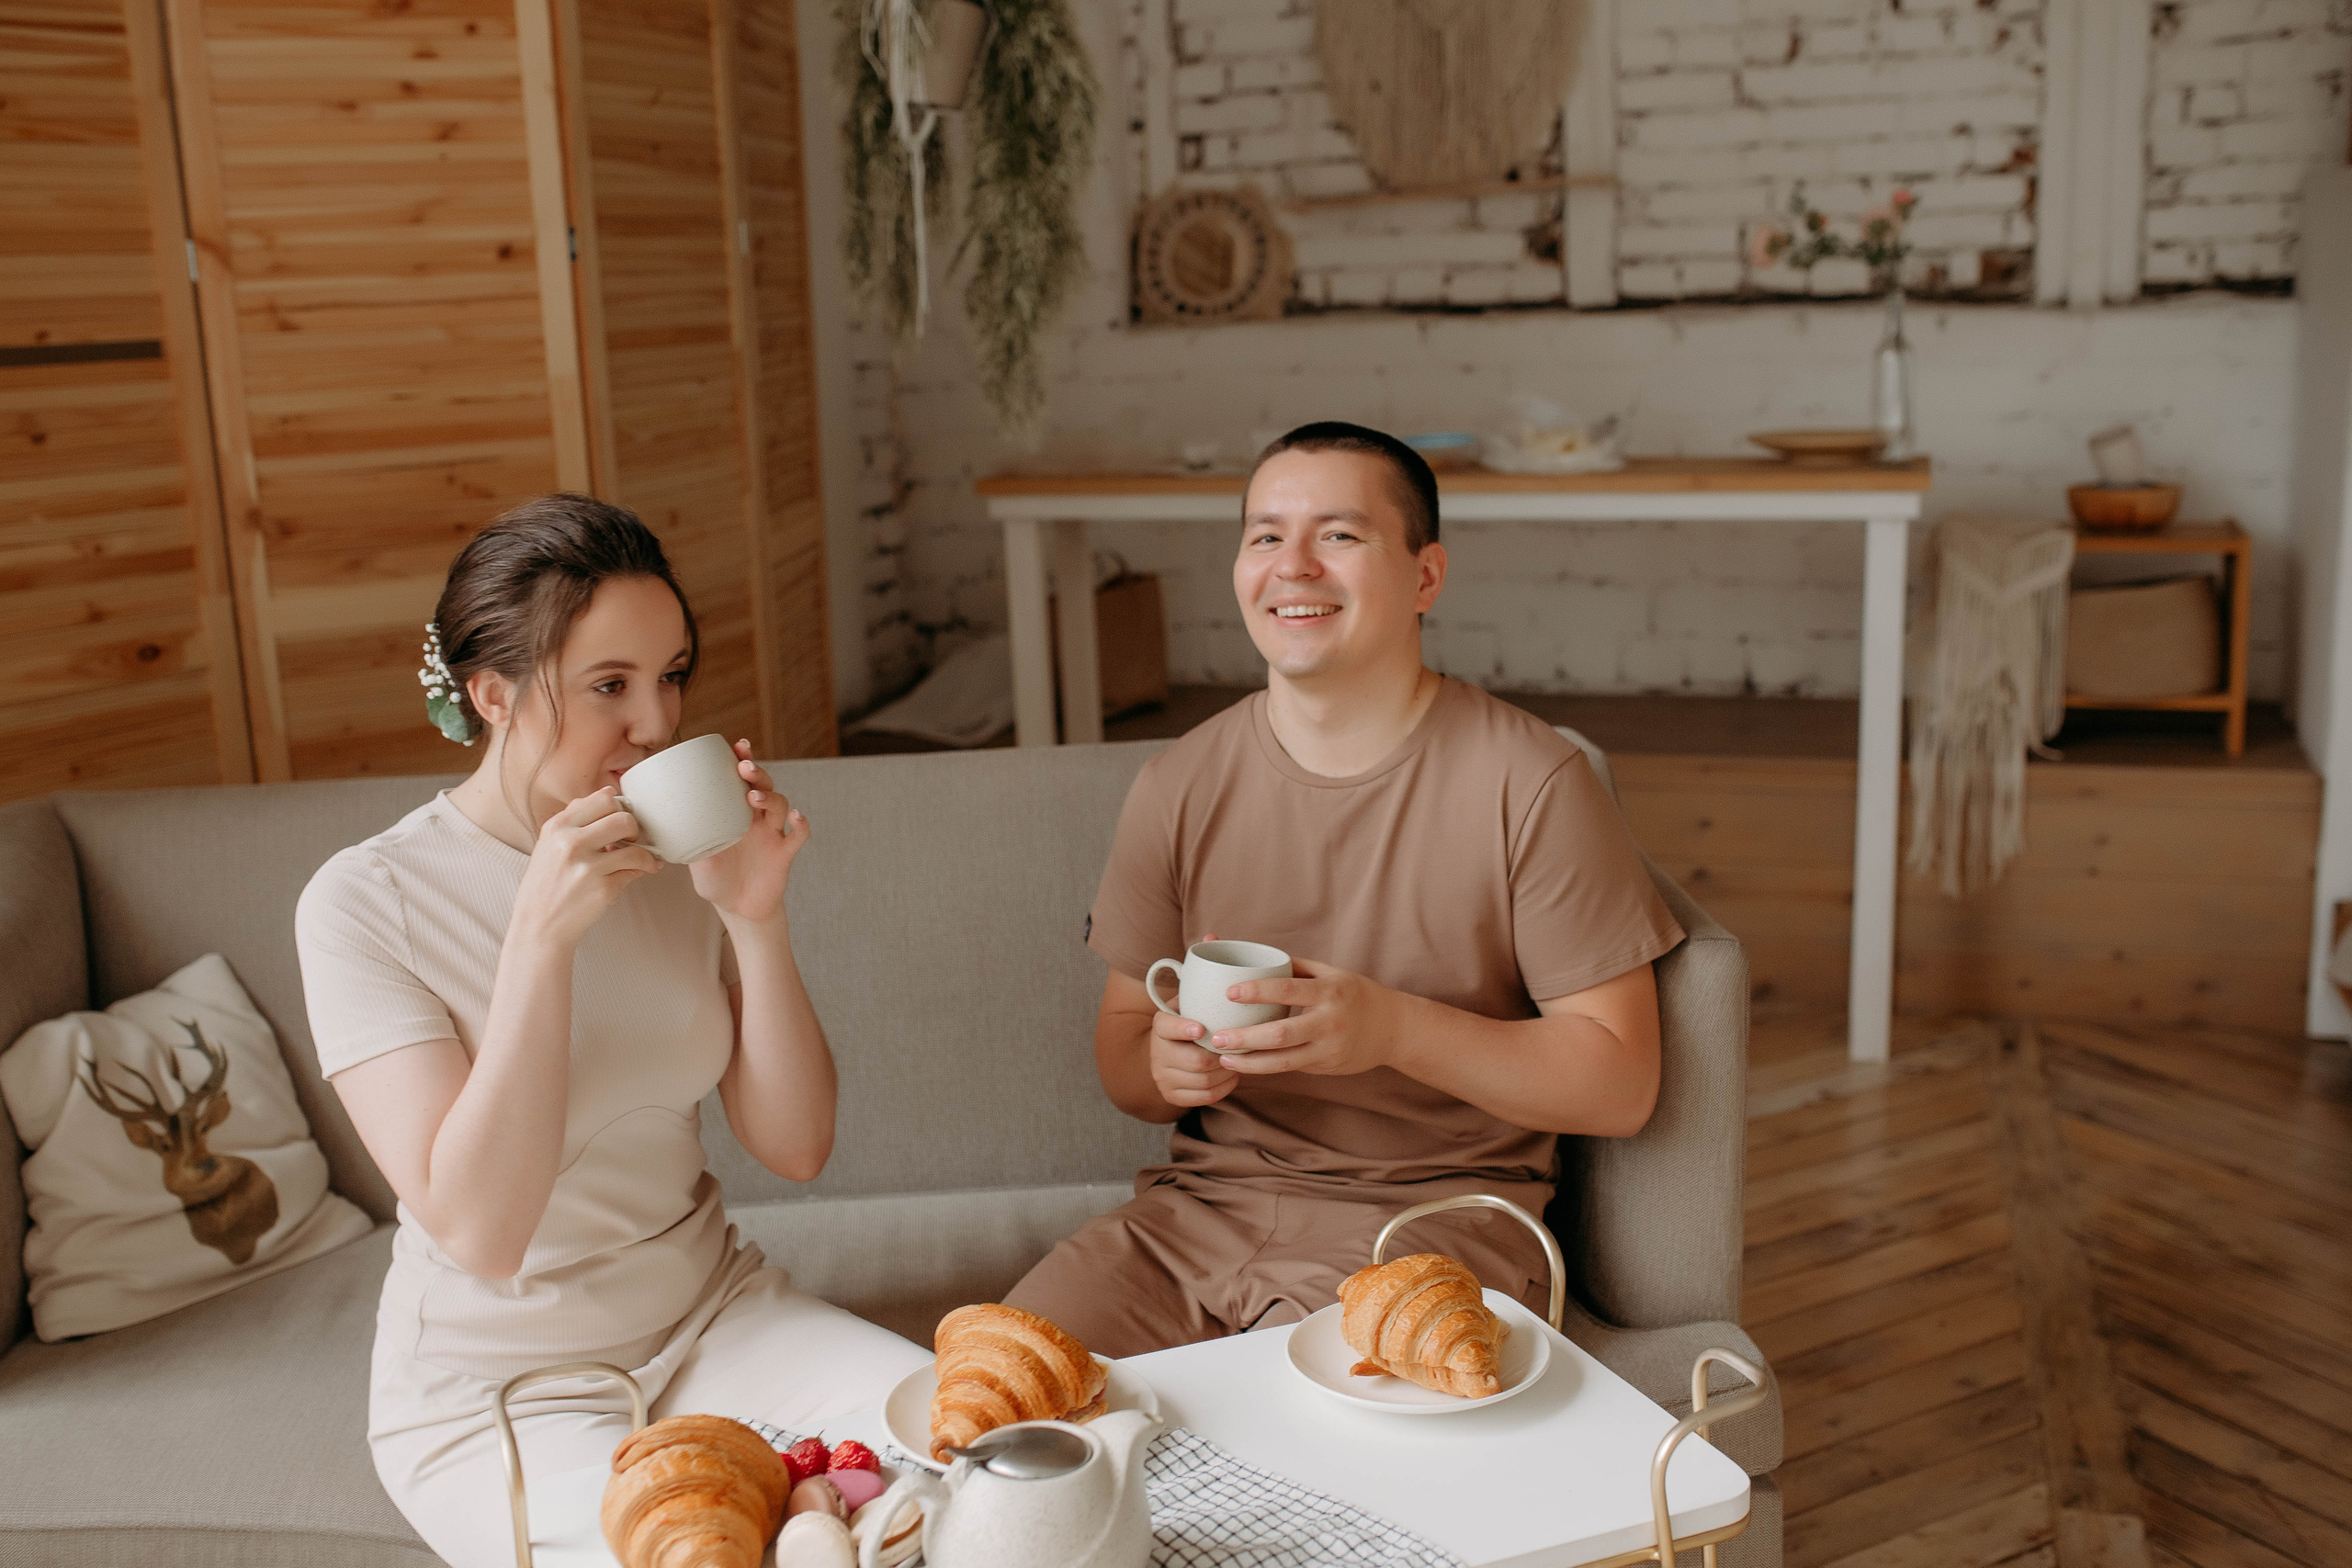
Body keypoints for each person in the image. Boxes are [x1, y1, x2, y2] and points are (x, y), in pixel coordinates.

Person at [295, 496, 927, 1567]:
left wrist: (753, 916)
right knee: (709, 1551)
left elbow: (797, 1147)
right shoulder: (366, 902)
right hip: (504, 1390)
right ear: (493, 695)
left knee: (975, 1469)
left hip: (716, 1317)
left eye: (670, 675)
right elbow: (484, 1233)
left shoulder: (676, 851)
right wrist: (540, 941)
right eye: (609, 686)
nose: (656, 723)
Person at [1004, 423, 1685, 1357]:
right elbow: (1123, 1054)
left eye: (1339, 534)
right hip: (1194, 1223)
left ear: (1425, 576)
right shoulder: (1177, 783)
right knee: (999, 1393)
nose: (1293, 566)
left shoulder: (1532, 781)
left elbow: (1620, 1086)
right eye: (1265, 535)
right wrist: (1164, 1068)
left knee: (1301, 1432)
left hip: (1432, 1231)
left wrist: (1392, 1030)